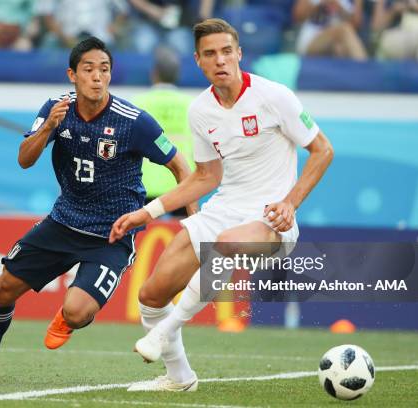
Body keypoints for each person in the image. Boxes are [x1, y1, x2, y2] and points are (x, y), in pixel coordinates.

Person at [0, 36, 194, 382]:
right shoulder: (55, 109)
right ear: (72, 75)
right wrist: (49, 125)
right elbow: (24, 159)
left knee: (77, 312)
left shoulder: (134, 121)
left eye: (104, 70)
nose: (97, 76)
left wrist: (190, 220)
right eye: (89, 69)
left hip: (112, 234)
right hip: (63, 222)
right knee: (2, 288)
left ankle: (67, 316)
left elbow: (184, 171)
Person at [110, 18, 334, 391]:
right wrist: (145, 213)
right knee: (151, 295)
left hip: (271, 220)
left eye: (227, 51)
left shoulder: (275, 96)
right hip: (223, 209)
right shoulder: (200, 111)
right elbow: (204, 178)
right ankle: (180, 379)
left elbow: (322, 150)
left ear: (239, 54)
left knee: (226, 244)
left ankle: (168, 329)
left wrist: (290, 203)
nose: (220, 60)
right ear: (198, 61)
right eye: (210, 54)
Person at [132, 46, 196, 216]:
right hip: (182, 183)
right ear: (177, 75)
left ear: (154, 74)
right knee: (183, 238)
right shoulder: (191, 105)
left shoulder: (138, 104)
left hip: (146, 185)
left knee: (144, 240)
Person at [293, 0, 368, 60]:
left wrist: (339, 8)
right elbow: (298, 16)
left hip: (337, 43)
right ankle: (366, 70)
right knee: (344, 29)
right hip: (311, 40)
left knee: (339, 49)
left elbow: (356, 25)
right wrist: (322, 3)